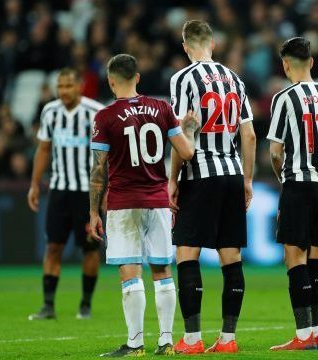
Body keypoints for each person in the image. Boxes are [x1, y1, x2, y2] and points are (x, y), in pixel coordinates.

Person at [89, 54, 200, 357]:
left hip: (124, 203)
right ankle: (166, 343)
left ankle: (135, 344)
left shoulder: (105, 117)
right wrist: (189, 127)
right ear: (138, 77)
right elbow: (187, 152)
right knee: (162, 271)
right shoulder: (163, 109)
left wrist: (92, 212)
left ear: (111, 81)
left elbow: (98, 171)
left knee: (130, 272)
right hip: (158, 200)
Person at [168, 20, 256, 354]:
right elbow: (248, 135)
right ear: (213, 44)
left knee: (187, 254)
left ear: (186, 46)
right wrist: (247, 180)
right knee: (231, 258)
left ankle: (191, 340)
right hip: (232, 172)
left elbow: (181, 133)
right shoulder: (235, 79)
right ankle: (228, 340)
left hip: (199, 173)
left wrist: (172, 179)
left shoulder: (183, 78)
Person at [267, 37, 318, 351]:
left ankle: (302, 336)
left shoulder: (284, 97)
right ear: (311, 62)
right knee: (317, 256)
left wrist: (286, 182)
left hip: (299, 183)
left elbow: (274, 152)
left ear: (286, 65)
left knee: (293, 256)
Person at [27, 68, 104, 321]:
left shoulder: (95, 112)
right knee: (53, 247)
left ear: (80, 86)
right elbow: (44, 149)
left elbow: (106, 156)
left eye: (68, 86)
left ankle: (86, 304)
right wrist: (35, 184)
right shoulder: (50, 111)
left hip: (87, 192)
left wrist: (105, 190)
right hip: (59, 190)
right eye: (60, 87)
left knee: (90, 249)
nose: (64, 91)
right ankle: (48, 305)